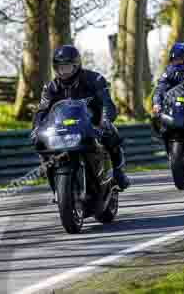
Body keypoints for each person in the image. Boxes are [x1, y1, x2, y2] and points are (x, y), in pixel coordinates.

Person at [30, 45, 130, 190]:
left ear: (76, 66)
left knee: (112, 134)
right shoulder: (50, 87)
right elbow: (42, 110)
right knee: (42, 145)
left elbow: (106, 102)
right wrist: (36, 129)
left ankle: (118, 172)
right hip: (63, 127)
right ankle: (54, 183)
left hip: (93, 123)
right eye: (60, 67)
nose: (63, 71)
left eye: (67, 67)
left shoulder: (94, 79)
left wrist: (105, 120)